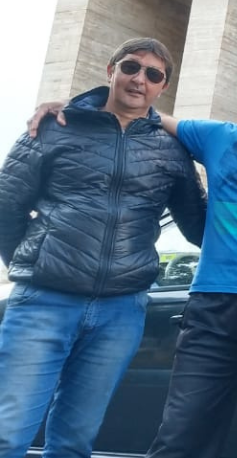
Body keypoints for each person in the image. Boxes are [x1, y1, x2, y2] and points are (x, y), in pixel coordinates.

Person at [28, 52, 237, 458]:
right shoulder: (216, 136)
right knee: (183, 436)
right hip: (215, 307)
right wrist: (73, 105)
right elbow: (144, 111)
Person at [0, 38, 206, 458]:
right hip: (44, 301)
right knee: (8, 433)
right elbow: (6, 204)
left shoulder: (170, 148)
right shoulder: (56, 126)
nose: (139, 79)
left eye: (153, 74)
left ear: (162, 87)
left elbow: (198, 226)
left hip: (120, 311)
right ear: (111, 69)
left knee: (75, 443)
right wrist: (36, 260)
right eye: (131, 67)